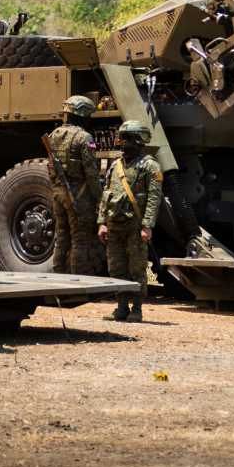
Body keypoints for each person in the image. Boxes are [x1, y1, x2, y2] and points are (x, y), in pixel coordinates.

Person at [97, 120, 163, 322]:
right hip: (115, 225)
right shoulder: (115, 166)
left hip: (135, 227)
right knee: (116, 267)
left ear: (137, 140)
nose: (121, 142)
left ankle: (137, 308)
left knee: (137, 267)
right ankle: (121, 307)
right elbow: (105, 194)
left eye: (125, 138)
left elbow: (154, 198)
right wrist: (102, 222)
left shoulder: (150, 166)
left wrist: (147, 226)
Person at [45, 96, 102, 274]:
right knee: (80, 240)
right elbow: (91, 174)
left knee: (62, 237)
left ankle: (58, 279)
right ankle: (77, 283)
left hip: (58, 193)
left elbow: (50, 167)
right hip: (78, 196)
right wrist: (100, 200)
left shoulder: (53, 136)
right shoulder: (84, 138)